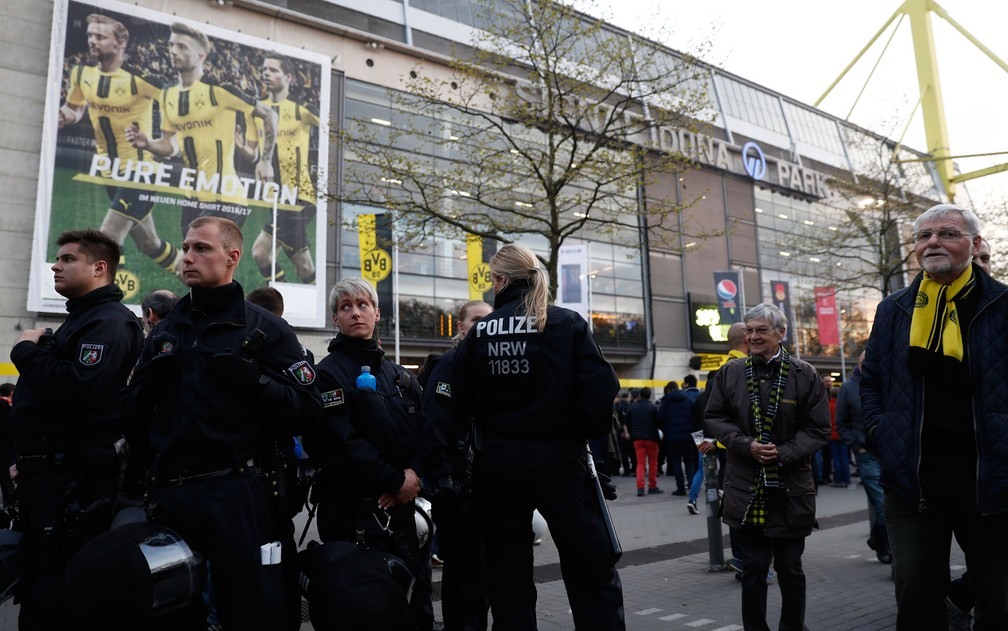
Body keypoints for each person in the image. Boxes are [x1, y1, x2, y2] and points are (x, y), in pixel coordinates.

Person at [120, 216, 321, 630]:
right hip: (171, 494)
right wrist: (145, 390)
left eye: (201, 248)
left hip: (237, 492)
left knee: (248, 611)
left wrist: (255, 380)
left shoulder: (267, 329)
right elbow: (129, 416)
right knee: (170, 611)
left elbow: (307, 409)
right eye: (187, 247)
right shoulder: (165, 331)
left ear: (232, 257)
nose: (188, 256)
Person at [450, 243, 625, 630]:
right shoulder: (566, 324)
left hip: (496, 467)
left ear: (499, 281)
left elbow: (458, 402)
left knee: (507, 577)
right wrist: (582, 434)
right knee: (591, 572)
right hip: (561, 463)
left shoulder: (480, 333)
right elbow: (601, 392)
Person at [861, 203, 1008, 630]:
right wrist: (880, 432)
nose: (932, 243)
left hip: (992, 478)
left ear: (975, 244)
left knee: (998, 601)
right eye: (924, 236)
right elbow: (871, 381)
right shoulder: (894, 309)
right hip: (913, 479)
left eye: (946, 233)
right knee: (917, 599)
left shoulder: (1002, 304)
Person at [10, 228, 143, 629]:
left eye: (68, 259)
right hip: (47, 476)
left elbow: (78, 388)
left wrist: (25, 352)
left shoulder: (110, 322)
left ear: (99, 268)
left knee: (60, 593)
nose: (56, 264)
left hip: (74, 484)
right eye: (59, 258)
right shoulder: (82, 320)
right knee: (38, 583)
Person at [306, 277, 434, 631]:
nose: (355, 313)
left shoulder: (398, 376)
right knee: (361, 609)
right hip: (353, 513)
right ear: (336, 318)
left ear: (377, 313)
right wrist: (395, 480)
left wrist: (412, 476)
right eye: (345, 307)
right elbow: (340, 443)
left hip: (404, 509)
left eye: (362, 305)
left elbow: (425, 431)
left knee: (413, 602)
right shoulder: (326, 375)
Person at [705, 303, 830, 631]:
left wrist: (784, 452)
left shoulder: (805, 374)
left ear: (781, 334)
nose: (753, 336)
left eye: (761, 330)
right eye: (749, 330)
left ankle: (792, 626)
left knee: (790, 567)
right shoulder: (730, 373)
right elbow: (714, 418)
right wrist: (747, 445)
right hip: (746, 488)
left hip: (791, 488)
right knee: (754, 568)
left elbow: (818, 429)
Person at [59, 14, 182, 277]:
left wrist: (166, 140)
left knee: (105, 241)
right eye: (90, 35)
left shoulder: (141, 80)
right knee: (149, 243)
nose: (93, 41)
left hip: (140, 172)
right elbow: (74, 108)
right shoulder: (81, 73)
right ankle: (206, 287)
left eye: (100, 37)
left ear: (121, 43)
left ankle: (107, 310)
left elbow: (178, 103)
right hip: (109, 171)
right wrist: (64, 116)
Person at [126, 22, 277, 232]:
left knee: (206, 261)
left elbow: (269, 114)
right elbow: (168, 146)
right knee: (193, 263)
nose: (173, 51)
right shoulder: (168, 95)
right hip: (191, 200)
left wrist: (266, 160)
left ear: (200, 56)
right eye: (171, 45)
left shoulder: (220, 92)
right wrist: (148, 144)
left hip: (225, 199)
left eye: (182, 47)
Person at [424, 299, 493, 631]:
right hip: (457, 492)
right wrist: (444, 481)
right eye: (476, 320)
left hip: (487, 492)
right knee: (463, 580)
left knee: (482, 581)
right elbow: (435, 427)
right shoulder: (450, 367)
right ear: (461, 326)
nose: (482, 326)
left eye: (488, 321)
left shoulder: (489, 367)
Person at [236, 53, 320, 285]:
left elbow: (332, 127)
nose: (266, 73)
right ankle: (282, 299)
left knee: (299, 262)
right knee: (262, 254)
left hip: (298, 197)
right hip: (278, 198)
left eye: (274, 70)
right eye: (265, 69)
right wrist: (242, 147)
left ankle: (289, 303)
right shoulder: (256, 111)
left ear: (289, 77)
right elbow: (253, 153)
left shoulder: (301, 110)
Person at [835, 351, 890, 564]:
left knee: (893, 503)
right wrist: (857, 447)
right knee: (883, 505)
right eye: (864, 362)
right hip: (866, 455)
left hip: (888, 452)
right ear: (858, 364)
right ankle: (883, 546)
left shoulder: (884, 382)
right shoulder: (848, 388)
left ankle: (877, 540)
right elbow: (841, 423)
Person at [658, 380, 697, 496]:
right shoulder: (688, 399)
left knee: (676, 463)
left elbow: (660, 418)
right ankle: (692, 485)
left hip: (672, 437)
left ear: (669, 390)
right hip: (687, 436)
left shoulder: (666, 401)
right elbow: (694, 416)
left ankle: (681, 488)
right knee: (689, 462)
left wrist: (666, 429)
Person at [626, 387, 662, 497]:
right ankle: (652, 486)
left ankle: (640, 487)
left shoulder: (632, 407)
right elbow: (659, 422)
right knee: (652, 463)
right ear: (650, 395)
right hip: (652, 438)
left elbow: (627, 422)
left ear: (640, 395)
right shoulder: (653, 407)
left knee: (640, 463)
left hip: (637, 439)